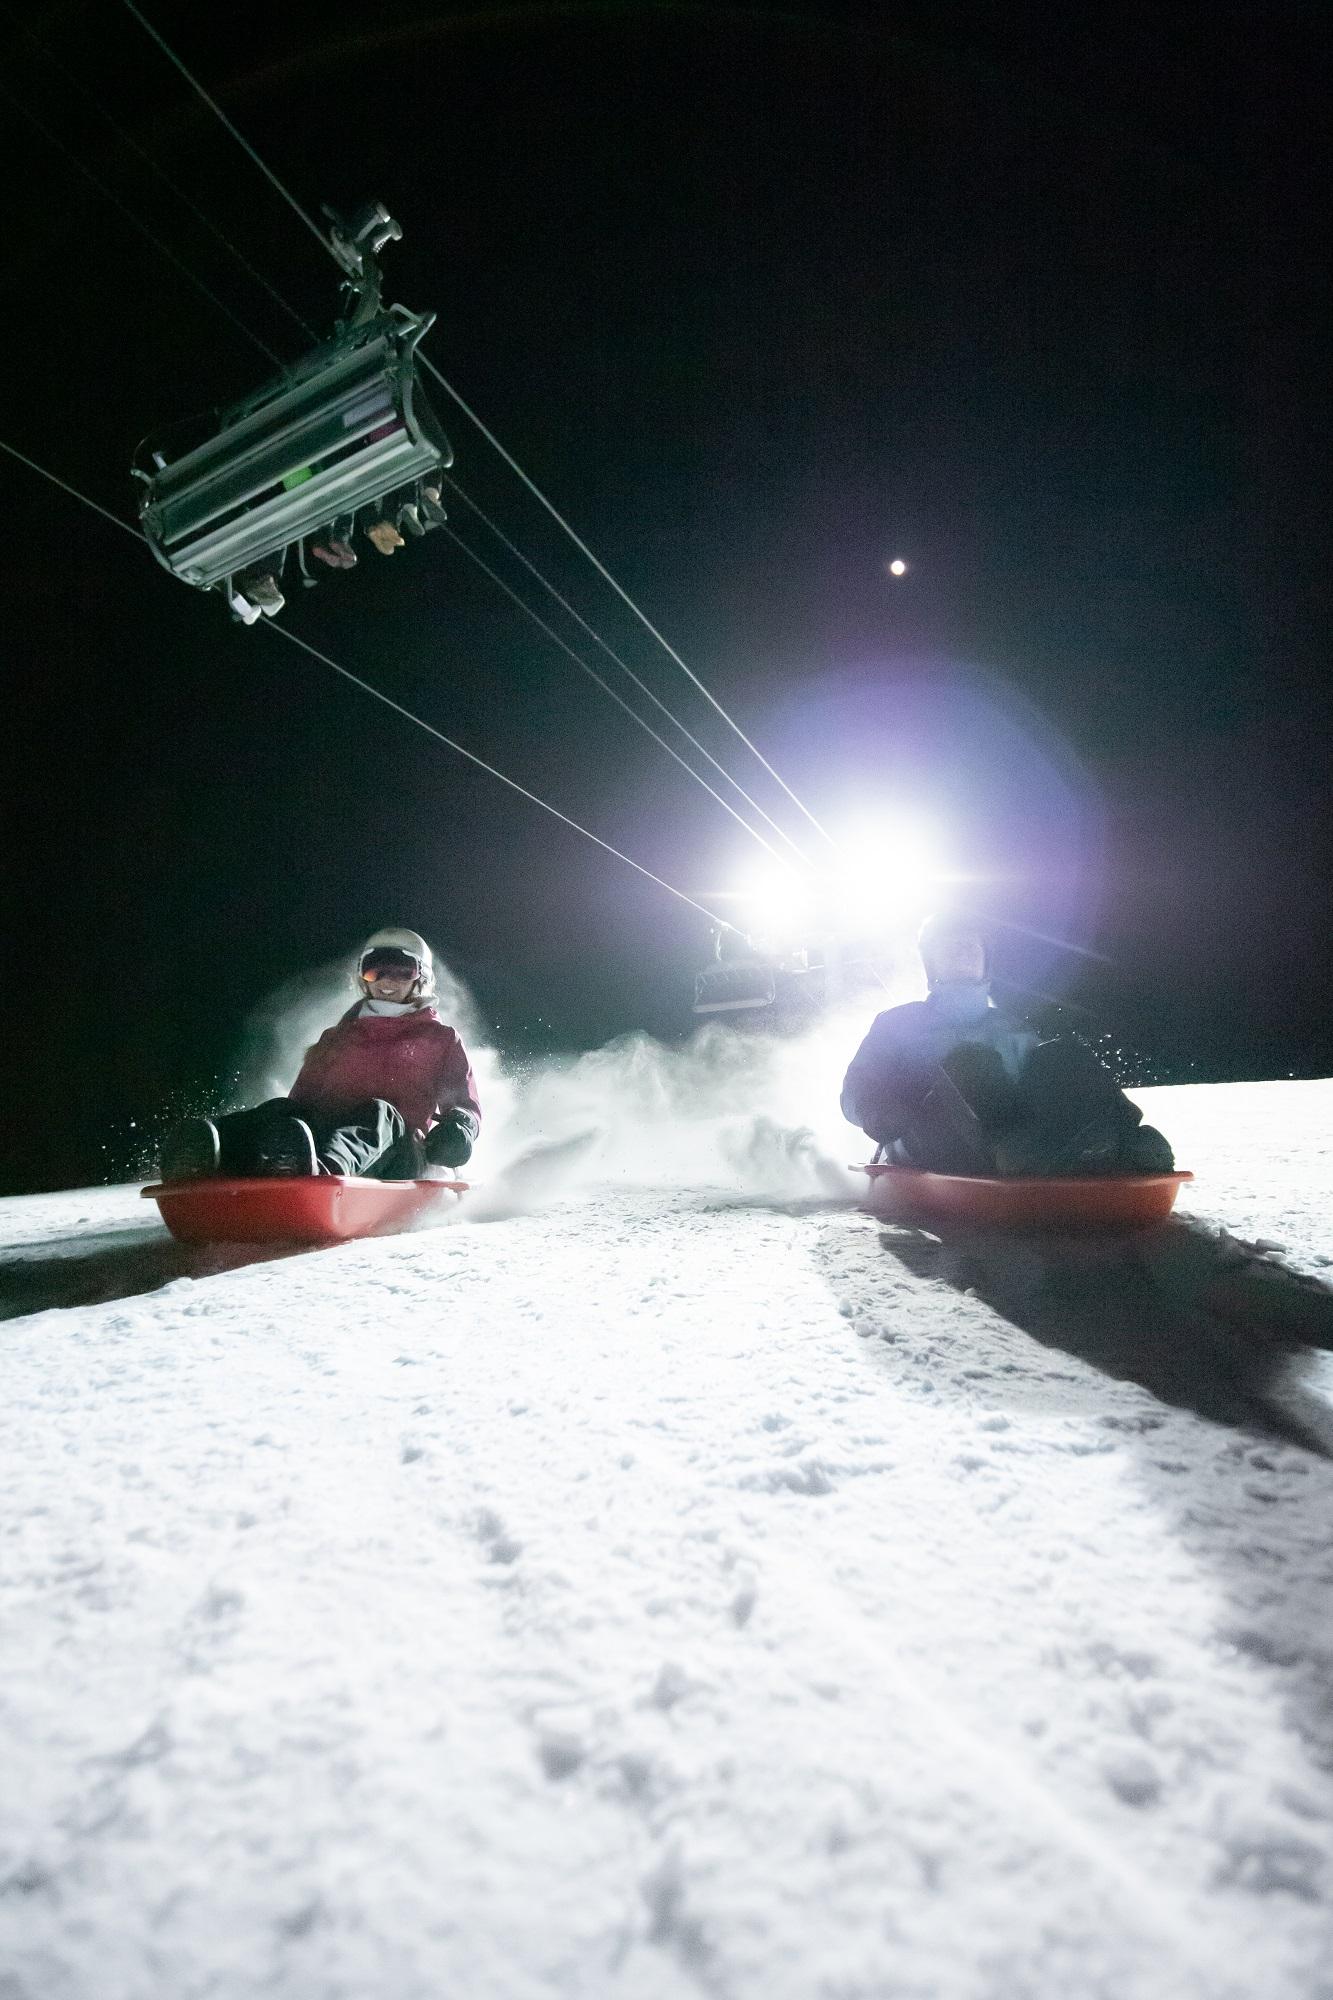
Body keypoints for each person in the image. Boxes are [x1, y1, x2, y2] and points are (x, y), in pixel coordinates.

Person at [841, 914, 1173, 1176]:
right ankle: (1014, 1150)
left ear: (986, 961)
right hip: (927, 1137)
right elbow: (857, 1089)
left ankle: (1125, 1140)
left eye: (972, 947)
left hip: (1019, 1146)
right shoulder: (899, 1023)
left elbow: (1045, 1084)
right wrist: (876, 1112)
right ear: (931, 964)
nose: (964, 952)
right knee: (970, 1061)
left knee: (1062, 1053)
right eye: (951, 947)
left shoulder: (1010, 1028)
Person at [160, 928, 481, 1182]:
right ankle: (208, 1151)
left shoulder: (441, 1039)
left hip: (401, 1151)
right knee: (282, 1108)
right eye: (375, 971)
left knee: (379, 1113)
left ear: (420, 977)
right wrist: (284, 1127)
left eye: (401, 972)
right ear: (362, 976)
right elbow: (301, 1100)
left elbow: (466, 1105)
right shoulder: (336, 1038)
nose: (386, 982)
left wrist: (459, 1130)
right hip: (322, 1139)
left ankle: (322, 1170)